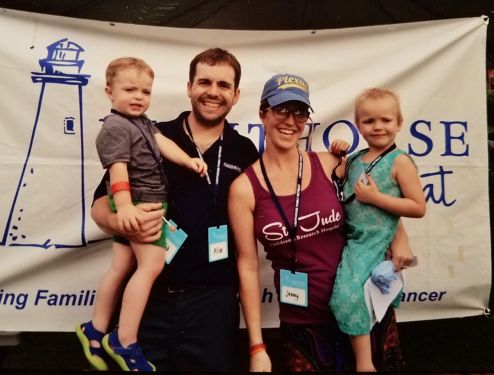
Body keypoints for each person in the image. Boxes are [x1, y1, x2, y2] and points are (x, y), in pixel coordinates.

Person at [229, 74, 414, 372]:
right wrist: (257, 346)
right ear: (263, 113)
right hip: (304, 326)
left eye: (299, 112)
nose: (290, 121)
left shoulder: (331, 163)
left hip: (363, 310)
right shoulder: (244, 188)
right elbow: (248, 267)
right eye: (281, 109)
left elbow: (373, 203)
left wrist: (399, 235)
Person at [90, 48, 259, 372]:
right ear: (189, 87)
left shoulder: (244, 150)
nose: (213, 92)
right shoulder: (149, 133)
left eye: (223, 85)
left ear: (236, 95)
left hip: (213, 303)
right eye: (204, 82)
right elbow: (100, 205)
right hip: (147, 300)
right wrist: (121, 220)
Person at [76, 57, 207, 371]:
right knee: (151, 265)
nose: (138, 97)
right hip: (139, 207)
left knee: (120, 266)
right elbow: (117, 170)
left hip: (141, 206)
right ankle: (125, 340)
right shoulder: (115, 127)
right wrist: (123, 208)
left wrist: (188, 160)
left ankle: (95, 328)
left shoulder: (144, 122)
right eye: (130, 89)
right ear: (109, 92)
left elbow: (163, 143)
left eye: (145, 91)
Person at [329, 88, 426, 372]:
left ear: (399, 122)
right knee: (353, 296)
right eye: (369, 121)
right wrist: (338, 153)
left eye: (386, 120)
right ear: (358, 125)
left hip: (374, 240)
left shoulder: (400, 162)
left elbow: (417, 206)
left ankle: (364, 364)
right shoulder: (357, 158)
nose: (378, 127)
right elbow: (339, 180)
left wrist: (377, 198)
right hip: (352, 238)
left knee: (347, 296)